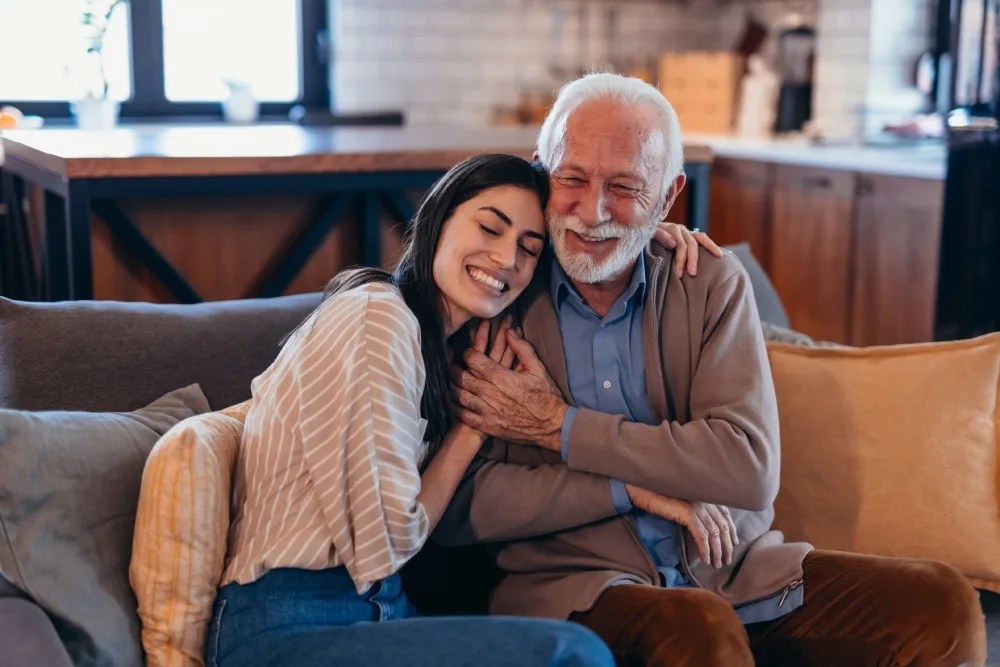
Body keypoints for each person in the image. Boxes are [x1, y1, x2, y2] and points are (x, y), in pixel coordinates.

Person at [442, 74, 986, 667]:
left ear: (668, 195)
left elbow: (746, 466)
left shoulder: (707, 282)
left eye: (624, 187)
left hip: (739, 575)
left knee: (940, 603)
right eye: (571, 178)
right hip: (579, 589)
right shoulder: (499, 297)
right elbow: (465, 502)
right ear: (542, 170)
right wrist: (633, 490)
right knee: (697, 630)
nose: (592, 210)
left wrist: (560, 428)